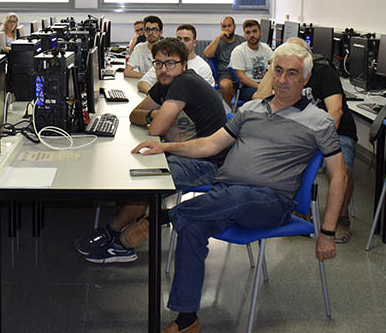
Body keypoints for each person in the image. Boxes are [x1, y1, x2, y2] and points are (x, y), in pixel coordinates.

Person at [133, 42, 347, 333]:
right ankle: (187, 320)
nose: (283, 79)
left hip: (272, 203)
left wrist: (328, 232)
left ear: (306, 79)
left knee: (238, 196)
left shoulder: (319, 121)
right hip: (225, 196)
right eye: (278, 71)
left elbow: (339, 176)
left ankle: (165, 217)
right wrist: (165, 147)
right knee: (194, 226)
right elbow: (210, 144)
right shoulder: (251, 109)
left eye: (292, 73)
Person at [77, 38, 227, 263]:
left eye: (170, 63)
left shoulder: (184, 82)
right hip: (180, 152)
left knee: (145, 181)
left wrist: (156, 119)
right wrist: (156, 114)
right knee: (135, 167)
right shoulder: (165, 83)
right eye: (158, 63)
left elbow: (156, 129)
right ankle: (116, 232)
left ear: (184, 65)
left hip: (206, 163)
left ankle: (115, 239)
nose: (164, 69)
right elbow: (135, 115)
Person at [254, 37, 357, 242]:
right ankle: (299, 208)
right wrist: (272, 68)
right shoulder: (283, 75)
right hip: (299, 133)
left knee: (341, 169)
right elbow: (259, 101)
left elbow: (335, 112)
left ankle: (342, 217)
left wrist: (319, 147)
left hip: (336, 132)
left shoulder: (324, 72)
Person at [137, 24, 215, 94]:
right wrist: (153, 95)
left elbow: (206, 96)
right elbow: (143, 83)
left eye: (186, 39)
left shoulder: (203, 67)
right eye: (179, 39)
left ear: (194, 43)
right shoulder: (164, 62)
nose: (182, 42)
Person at [203, 16, 244, 106]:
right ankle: (230, 108)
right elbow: (207, 54)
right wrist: (218, 37)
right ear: (221, 28)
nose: (227, 29)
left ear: (234, 26)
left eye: (229, 26)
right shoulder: (218, 41)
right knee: (225, 85)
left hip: (240, 70)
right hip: (225, 72)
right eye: (224, 26)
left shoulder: (241, 40)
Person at [229, 19, 273, 101]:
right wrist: (261, 87)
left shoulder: (265, 48)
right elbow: (241, 77)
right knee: (266, 97)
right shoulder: (239, 51)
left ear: (260, 32)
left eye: (254, 31)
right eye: (248, 32)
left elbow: (275, 64)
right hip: (246, 87)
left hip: (264, 83)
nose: (252, 35)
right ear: (245, 35)